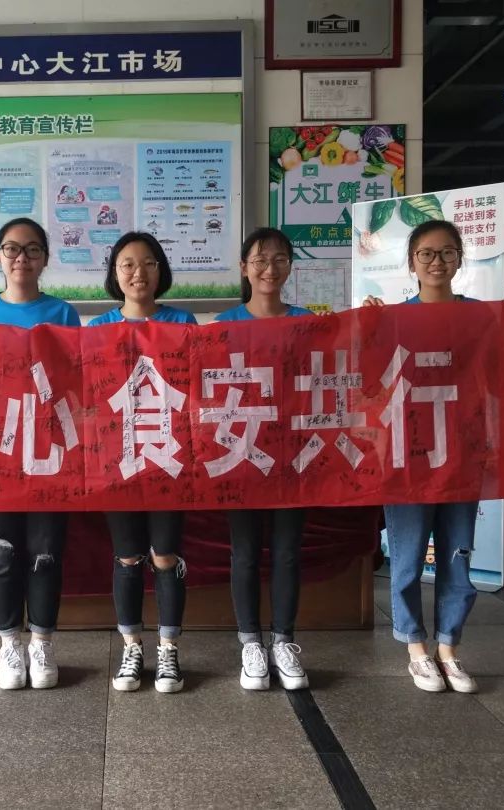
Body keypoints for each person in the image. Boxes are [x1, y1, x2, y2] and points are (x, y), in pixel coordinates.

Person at [363, 219, 504, 693]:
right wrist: (368, 330)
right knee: (406, 557)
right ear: (411, 262)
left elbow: (498, 377)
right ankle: (416, 649)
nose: (436, 262)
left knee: (457, 555)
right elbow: (370, 381)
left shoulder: (479, 317)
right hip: (408, 458)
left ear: (460, 259)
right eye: (426, 253)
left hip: (461, 455)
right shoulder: (395, 318)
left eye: (446, 252)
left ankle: (449, 649)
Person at [0, 217, 79, 690]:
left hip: (49, 449)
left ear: (45, 259)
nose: (21, 258)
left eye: (32, 249)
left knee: (46, 551)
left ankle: (43, 642)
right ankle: (9, 643)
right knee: (2, 551)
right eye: (11, 249)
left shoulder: (63, 313)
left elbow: (74, 380)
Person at [88, 232, 196, 694]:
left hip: (169, 456)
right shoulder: (98, 329)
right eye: (128, 264)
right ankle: (132, 648)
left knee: (165, 555)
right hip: (119, 459)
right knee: (128, 556)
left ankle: (169, 650)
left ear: (160, 270)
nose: (139, 273)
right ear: (115, 273)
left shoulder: (182, 322)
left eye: (149, 263)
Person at [215, 227, 313, 692]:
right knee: (246, 552)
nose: (269, 268)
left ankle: (285, 641)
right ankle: (250, 643)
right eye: (259, 260)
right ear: (244, 268)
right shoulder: (223, 324)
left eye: (279, 259)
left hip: (293, 455)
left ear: (290, 266)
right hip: (242, 453)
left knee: (288, 552)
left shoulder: (308, 323)